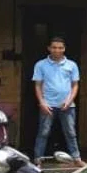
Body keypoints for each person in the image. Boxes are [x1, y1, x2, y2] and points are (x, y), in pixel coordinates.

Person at [32, 36, 82, 165]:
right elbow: (38, 85)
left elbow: (75, 85)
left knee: (70, 133)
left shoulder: (72, 65)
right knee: (43, 132)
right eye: (54, 47)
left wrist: (70, 100)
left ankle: (77, 159)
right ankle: (38, 159)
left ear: (64, 49)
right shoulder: (40, 64)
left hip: (68, 105)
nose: (57, 50)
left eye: (60, 48)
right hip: (47, 104)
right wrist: (42, 102)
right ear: (49, 48)